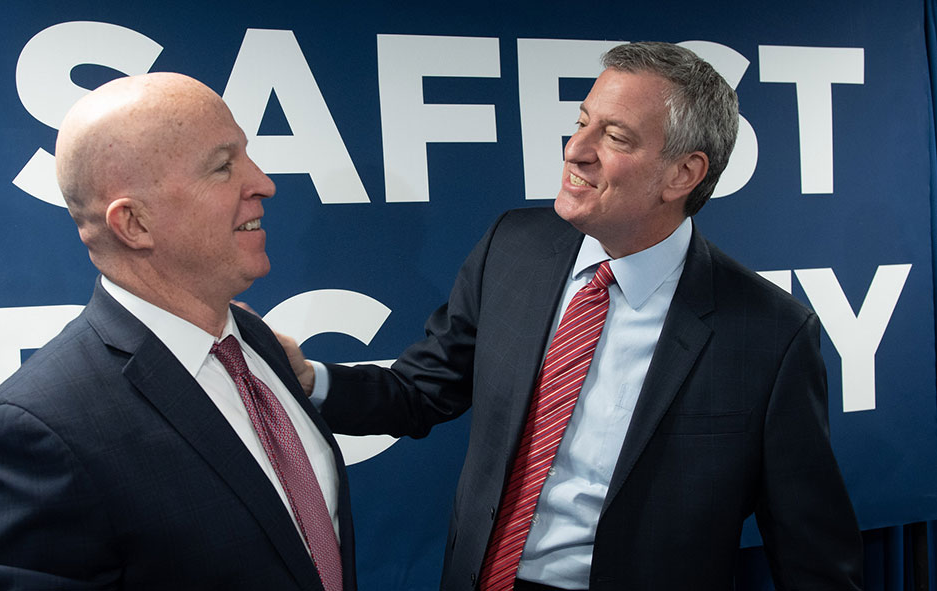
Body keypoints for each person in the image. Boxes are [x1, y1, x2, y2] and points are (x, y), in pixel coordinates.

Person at [287, 42, 863, 590]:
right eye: (582, 120)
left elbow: (811, 551)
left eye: (614, 136)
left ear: (683, 174)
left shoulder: (770, 335)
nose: (575, 149)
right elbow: (420, 390)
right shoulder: (511, 246)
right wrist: (309, 379)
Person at [0, 73, 355, 591]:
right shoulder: (37, 431)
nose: (263, 182)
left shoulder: (252, 341)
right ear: (134, 224)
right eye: (223, 166)